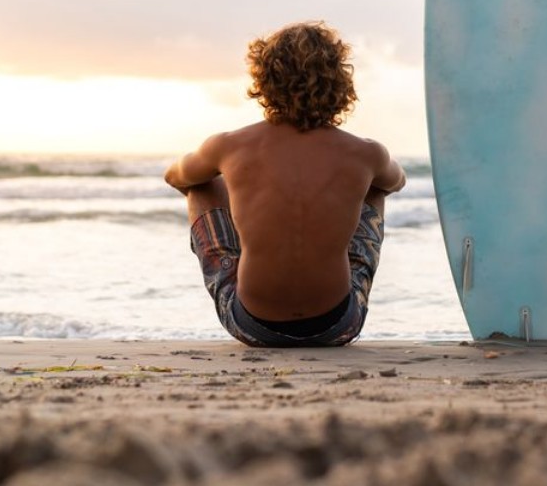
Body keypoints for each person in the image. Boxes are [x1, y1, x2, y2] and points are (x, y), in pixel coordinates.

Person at [164, 21, 407, 347]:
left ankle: (236, 263)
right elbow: (397, 181)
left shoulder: (228, 145)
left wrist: (243, 204)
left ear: (264, 80)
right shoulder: (367, 153)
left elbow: (175, 176)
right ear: (338, 80)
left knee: (201, 185)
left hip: (253, 326)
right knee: (376, 187)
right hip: (338, 326)